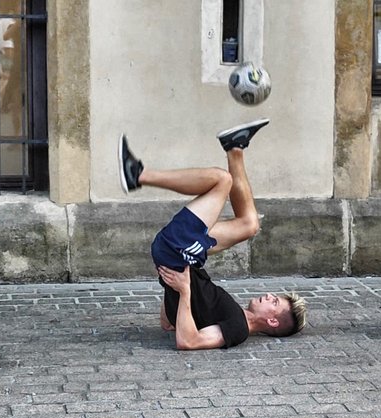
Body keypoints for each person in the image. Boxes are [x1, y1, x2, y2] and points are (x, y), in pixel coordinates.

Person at [118, 119, 307, 350]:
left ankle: (138, 174)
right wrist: (172, 288)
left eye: (274, 302)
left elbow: (188, 341)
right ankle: (235, 147)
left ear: (273, 320)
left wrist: (185, 290)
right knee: (249, 225)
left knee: (221, 180)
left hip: (177, 253)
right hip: (182, 256)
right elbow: (168, 324)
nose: (268, 295)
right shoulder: (234, 314)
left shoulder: (238, 329)